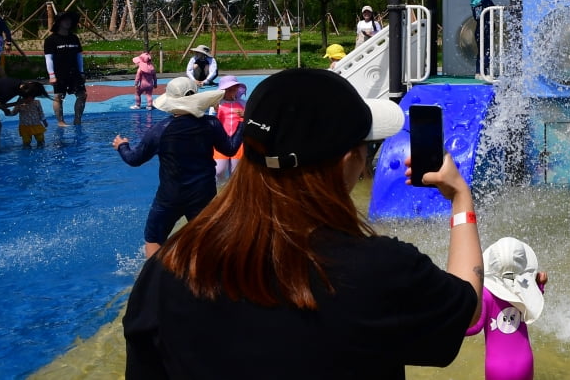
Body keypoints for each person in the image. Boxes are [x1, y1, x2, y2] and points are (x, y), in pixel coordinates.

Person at [122, 68, 482, 378]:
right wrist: (460, 198)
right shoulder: (380, 271)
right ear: (345, 163)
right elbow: (467, 308)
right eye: (365, 147)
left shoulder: (168, 269)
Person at [113, 76, 240, 258]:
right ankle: (202, 280)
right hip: (203, 194)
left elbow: (134, 159)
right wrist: (243, 125)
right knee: (204, 240)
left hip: (170, 196)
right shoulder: (211, 124)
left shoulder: (160, 130)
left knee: (154, 239)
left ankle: (155, 281)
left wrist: (122, 146)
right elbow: (230, 148)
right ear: (195, 97)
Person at [466, 237, 547, 380]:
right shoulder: (524, 288)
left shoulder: (485, 294)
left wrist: (452, 325)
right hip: (525, 363)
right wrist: (540, 285)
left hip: (497, 368)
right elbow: (533, 302)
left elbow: (475, 327)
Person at [44, 11, 87, 126]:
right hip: (59, 73)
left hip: (74, 72)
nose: (68, 22)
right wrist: (51, 75)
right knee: (59, 96)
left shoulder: (74, 38)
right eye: (65, 20)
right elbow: (49, 58)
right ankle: (61, 121)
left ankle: (77, 119)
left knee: (82, 95)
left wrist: (81, 71)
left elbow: (79, 56)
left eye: (69, 20)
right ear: (58, 22)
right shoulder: (51, 40)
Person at [212, 75, 247, 183]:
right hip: (220, 140)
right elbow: (211, 122)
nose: (231, 90)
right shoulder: (217, 105)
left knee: (236, 171)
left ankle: (235, 193)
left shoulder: (243, 104)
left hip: (239, 141)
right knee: (219, 170)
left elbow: (251, 121)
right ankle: (221, 189)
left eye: (234, 87)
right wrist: (215, 112)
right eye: (228, 89)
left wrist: (246, 115)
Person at [5, 82, 50, 147]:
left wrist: (44, 121)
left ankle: (40, 150)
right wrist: (7, 112)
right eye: (25, 97)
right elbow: (13, 113)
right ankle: (27, 151)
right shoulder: (19, 104)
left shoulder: (36, 102)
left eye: (32, 97)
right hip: (25, 126)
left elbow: (41, 113)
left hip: (36, 125)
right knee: (26, 142)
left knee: (40, 139)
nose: (31, 99)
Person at [468, 0, 496, 76]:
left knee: (481, 51)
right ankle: (483, 72)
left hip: (480, 30)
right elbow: (493, 7)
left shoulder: (475, 5)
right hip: (486, 30)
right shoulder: (485, 2)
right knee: (487, 51)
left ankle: (479, 72)